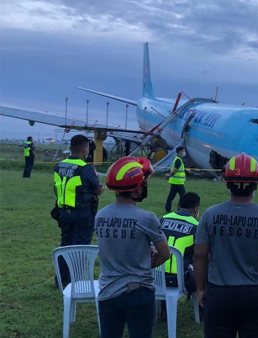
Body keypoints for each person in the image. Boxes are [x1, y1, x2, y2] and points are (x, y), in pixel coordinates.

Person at [193, 153, 258, 337]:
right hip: (255, 295)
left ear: (227, 183)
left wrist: (201, 288)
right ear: (256, 184)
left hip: (219, 294)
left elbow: (199, 255)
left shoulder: (209, 215)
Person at [95, 156, 171, 338]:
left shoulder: (100, 215)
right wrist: (147, 262)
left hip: (108, 292)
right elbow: (165, 254)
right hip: (139, 292)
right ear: (136, 188)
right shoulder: (147, 218)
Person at [54, 134, 103, 286]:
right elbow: (96, 189)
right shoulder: (86, 168)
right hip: (82, 213)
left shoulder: (59, 165)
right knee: (80, 248)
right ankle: (74, 281)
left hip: (64, 212)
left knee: (65, 246)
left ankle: (61, 280)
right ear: (85, 149)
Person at [158, 192, 201, 320]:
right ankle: (202, 306)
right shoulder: (196, 227)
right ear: (196, 209)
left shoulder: (162, 219)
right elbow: (202, 256)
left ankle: (164, 308)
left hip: (156, 277)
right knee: (206, 265)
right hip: (181, 279)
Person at [165, 146, 186, 213]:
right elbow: (175, 170)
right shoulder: (178, 160)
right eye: (183, 151)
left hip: (174, 181)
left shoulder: (177, 159)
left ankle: (167, 208)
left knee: (171, 196)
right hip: (178, 182)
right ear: (180, 152)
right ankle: (180, 209)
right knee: (183, 196)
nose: (184, 152)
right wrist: (169, 175)